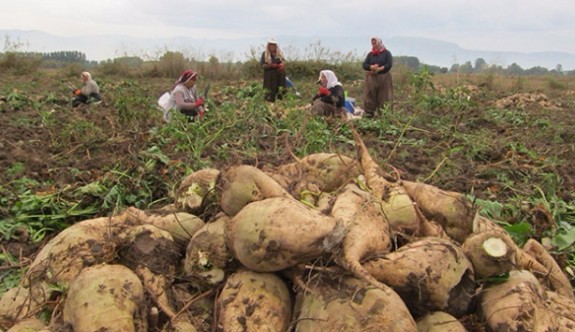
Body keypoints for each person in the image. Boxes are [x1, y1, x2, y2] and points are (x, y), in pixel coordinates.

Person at [362, 36, 393, 117]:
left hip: (383, 78)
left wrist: (380, 68)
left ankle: (383, 115)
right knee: (369, 95)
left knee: (384, 97)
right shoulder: (370, 54)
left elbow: (389, 64)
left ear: (379, 43)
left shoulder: (386, 53)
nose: (374, 45)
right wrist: (371, 67)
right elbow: (364, 65)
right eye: (372, 43)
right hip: (371, 78)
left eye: (375, 43)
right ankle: (369, 113)